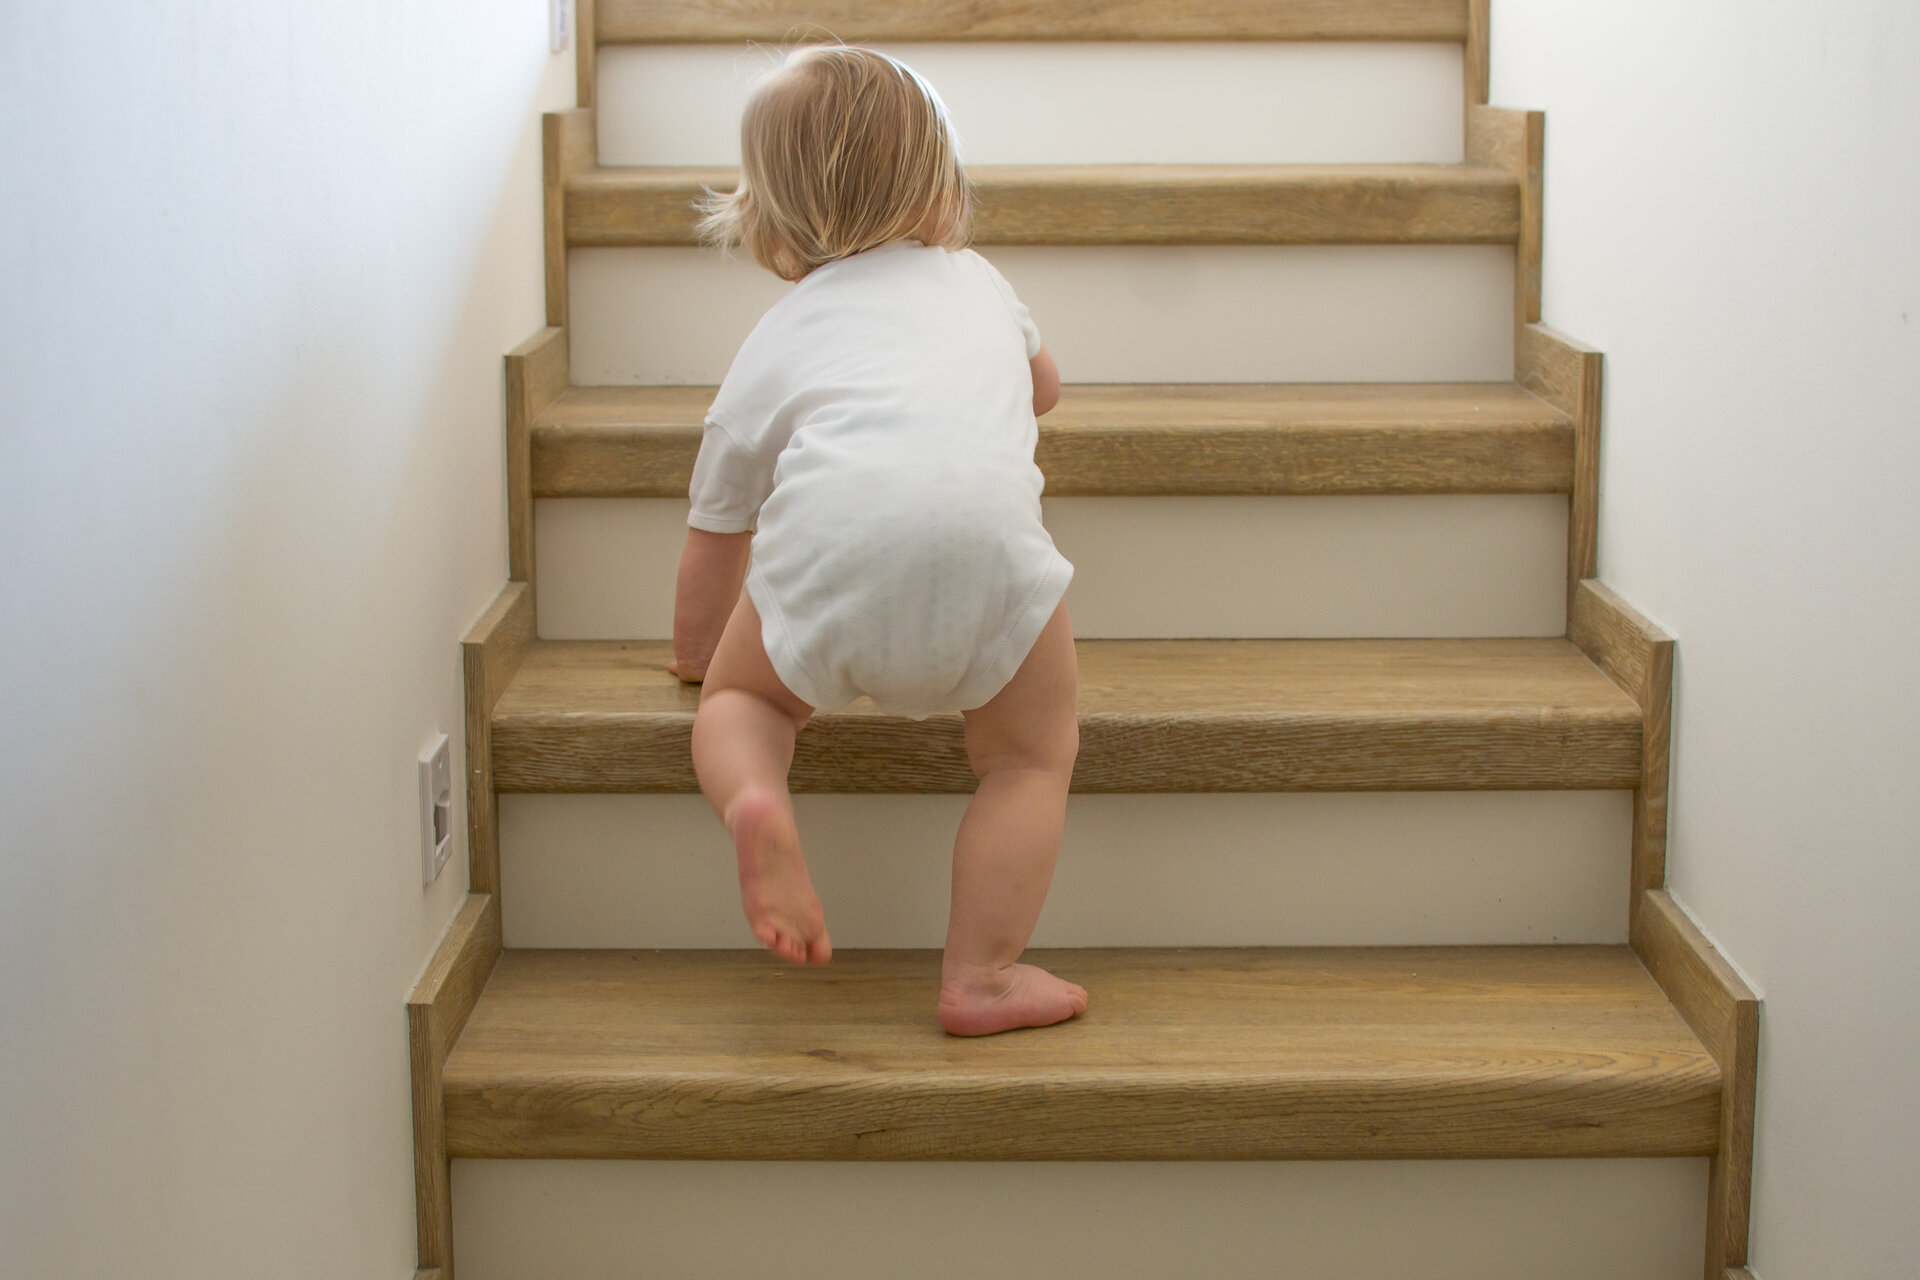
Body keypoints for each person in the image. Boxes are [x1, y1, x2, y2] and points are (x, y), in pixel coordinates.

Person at [669, 44, 1086, 1036]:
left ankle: (758, 798)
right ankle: (980, 974)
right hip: (997, 560)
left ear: (769, 220)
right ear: (941, 186)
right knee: (1032, 758)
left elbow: (718, 516)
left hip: (833, 548)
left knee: (742, 699)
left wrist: (700, 657)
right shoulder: (978, 280)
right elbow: (1047, 388)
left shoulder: (785, 328)